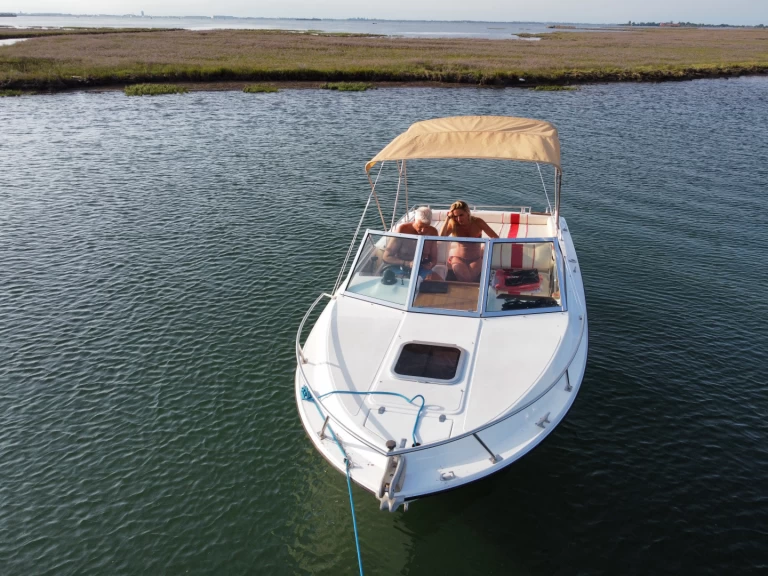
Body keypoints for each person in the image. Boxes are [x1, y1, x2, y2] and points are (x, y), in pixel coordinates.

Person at [439, 200, 498, 282]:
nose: (458, 219)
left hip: (476, 258)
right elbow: (441, 238)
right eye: (455, 216)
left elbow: (495, 237)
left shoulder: (478, 222)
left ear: (467, 213)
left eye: (461, 215)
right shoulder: (453, 224)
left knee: (470, 278)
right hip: (458, 258)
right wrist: (447, 219)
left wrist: (485, 248)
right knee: (466, 278)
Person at [383, 206, 439, 279]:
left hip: (421, 268)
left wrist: (431, 264)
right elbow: (386, 257)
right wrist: (407, 263)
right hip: (400, 267)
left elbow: (434, 258)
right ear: (415, 219)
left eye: (427, 227)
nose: (423, 230)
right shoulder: (402, 230)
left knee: (438, 282)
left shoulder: (433, 232)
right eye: (421, 226)